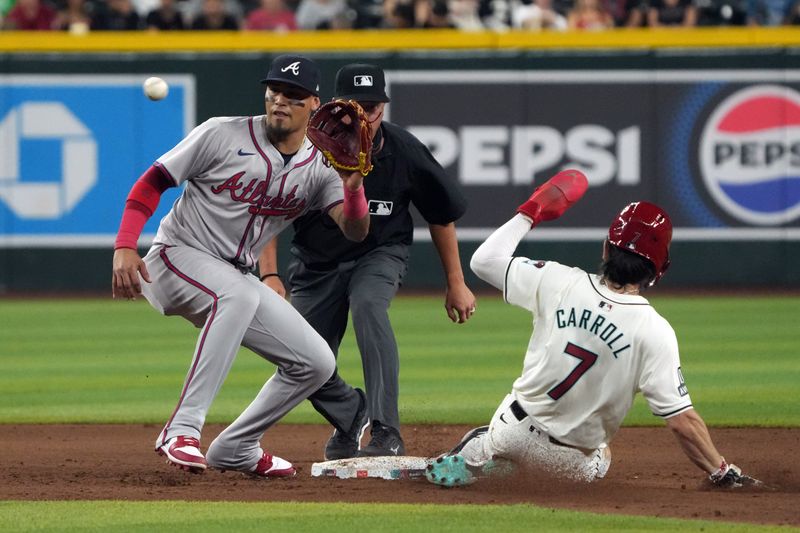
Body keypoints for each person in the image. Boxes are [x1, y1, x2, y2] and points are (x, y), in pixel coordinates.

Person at [111, 54, 370, 478]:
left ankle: (237, 446)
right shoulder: (220, 133)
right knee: (236, 292)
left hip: (234, 275)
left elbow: (355, 230)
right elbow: (153, 181)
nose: (280, 101)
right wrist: (125, 245)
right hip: (176, 256)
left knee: (316, 362)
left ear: (313, 105)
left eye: (293, 95)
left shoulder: (323, 166)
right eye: (275, 92)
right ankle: (182, 429)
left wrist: (354, 187)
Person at [426, 170, 760, 489]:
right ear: (660, 269)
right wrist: (722, 471)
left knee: (489, 437)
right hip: (571, 466)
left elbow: (482, 262)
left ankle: (482, 456)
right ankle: (504, 467)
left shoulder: (558, 280)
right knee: (603, 454)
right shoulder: (654, 330)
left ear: (605, 247)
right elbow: (682, 422)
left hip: (512, 429)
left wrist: (531, 211)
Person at [261, 63, 476, 460]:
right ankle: (349, 417)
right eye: (354, 106)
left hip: (379, 253)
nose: (364, 116)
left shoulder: (404, 150)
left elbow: (440, 213)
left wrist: (456, 281)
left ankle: (386, 431)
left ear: (383, 109)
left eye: (372, 106)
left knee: (368, 307)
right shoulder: (304, 151)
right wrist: (270, 274)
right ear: (333, 108)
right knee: (300, 356)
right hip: (315, 263)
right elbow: (269, 214)